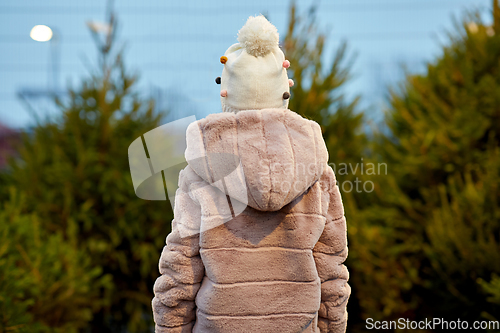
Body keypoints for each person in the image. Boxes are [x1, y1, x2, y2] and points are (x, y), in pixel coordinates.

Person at [152, 15, 350, 333]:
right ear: (285, 89)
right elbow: (331, 266)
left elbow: (180, 268)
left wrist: (171, 329)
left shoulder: (200, 169)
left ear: (225, 91)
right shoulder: (317, 170)